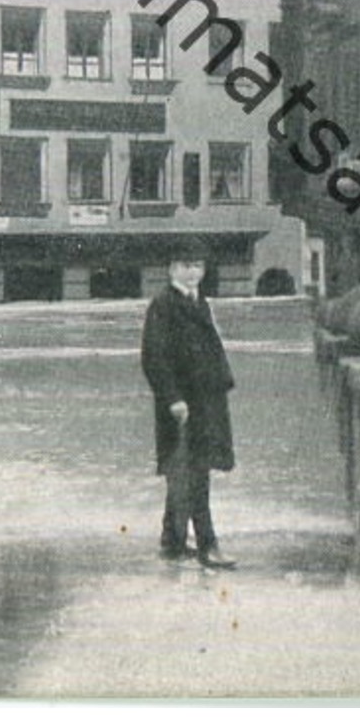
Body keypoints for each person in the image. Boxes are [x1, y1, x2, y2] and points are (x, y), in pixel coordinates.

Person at [140, 238, 238, 569]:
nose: (192, 272)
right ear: (171, 269)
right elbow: (154, 358)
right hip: (182, 406)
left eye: (197, 265)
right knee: (193, 474)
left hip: (206, 402)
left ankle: (173, 542)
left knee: (187, 473)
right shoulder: (163, 305)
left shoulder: (201, 302)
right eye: (185, 265)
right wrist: (173, 399)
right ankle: (208, 545)